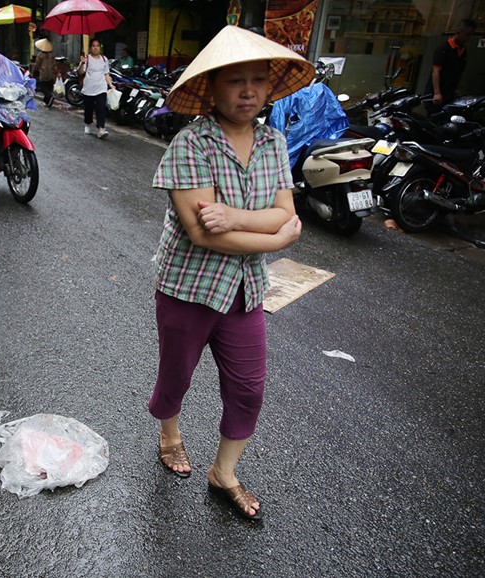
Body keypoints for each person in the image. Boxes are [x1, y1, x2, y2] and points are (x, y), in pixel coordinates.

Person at [148, 25, 312, 521]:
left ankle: (224, 472)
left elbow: (283, 212)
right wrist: (279, 236)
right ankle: (170, 433)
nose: (249, 91)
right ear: (212, 90)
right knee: (177, 375)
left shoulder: (274, 141)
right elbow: (203, 235)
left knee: (248, 386)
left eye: (258, 80)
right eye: (235, 81)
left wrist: (241, 218)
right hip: (188, 286)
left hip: (245, 290)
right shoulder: (190, 143)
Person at [425, 19, 476, 110]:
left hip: (450, 93)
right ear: (458, 32)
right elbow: (436, 72)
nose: (469, 38)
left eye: (471, 35)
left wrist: (457, 88)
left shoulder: (463, 51)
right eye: (467, 34)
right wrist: (437, 93)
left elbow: (458, 71)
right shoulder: (444, 49)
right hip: (437, 93)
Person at [78, 38, 115, 138]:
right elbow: (81, 72)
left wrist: (110, 85)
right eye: (93, 46)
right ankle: (88, 123)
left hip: (101, 88)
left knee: (101, 108)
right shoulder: (87, 59)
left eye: (97, 46)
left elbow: (106, 73)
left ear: (100, 47)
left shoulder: (104, 59)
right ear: (90, 48)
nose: (95, 48)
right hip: (89, 88)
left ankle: (101, 129)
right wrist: (82, 63)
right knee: (89, 109)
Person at [31, 38, 57, 107]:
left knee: (43, 86)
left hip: (43, 73)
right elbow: (54, 65)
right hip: (50, 73)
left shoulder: (40, 55)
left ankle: (49, 96)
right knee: (48, 86)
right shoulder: (52, 55)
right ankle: (47, 101)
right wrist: (55, 72)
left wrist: (32, 72)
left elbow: (37, 65)